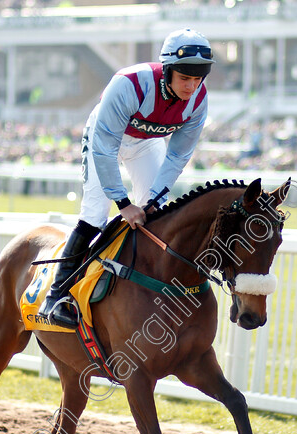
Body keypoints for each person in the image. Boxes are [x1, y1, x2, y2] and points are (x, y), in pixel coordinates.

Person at [39, 28, 215, 328]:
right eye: (185, 78)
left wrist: (153, 199)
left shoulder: (198, 100)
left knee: (157, 213)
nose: (191, 86)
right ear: (167, 71)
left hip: (146, 143)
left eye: (198, 79)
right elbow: (105, 148)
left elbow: (177, 157)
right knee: (95, 213)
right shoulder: (129, 84)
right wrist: (123, 203)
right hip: (107, 138)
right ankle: (56, 297)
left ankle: (145, 290)